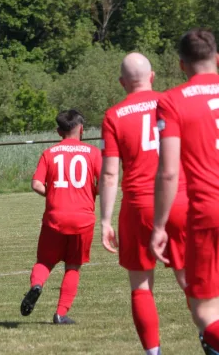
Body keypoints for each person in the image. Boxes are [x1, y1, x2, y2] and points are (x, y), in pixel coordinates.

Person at [100, 53, 188, 355]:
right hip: (178, 199)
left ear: (122, 82)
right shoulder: (174, 102)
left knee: (140, 286)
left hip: (138, 205)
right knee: (191, 280)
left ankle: (153, 353)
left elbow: (110, 174)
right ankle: (211, 337)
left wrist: (105, 221)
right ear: (152, 76)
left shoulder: (114, 115)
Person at [151, 28, 219, 354]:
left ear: (181, 65)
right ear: (217, 58)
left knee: (205, 310)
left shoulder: (172, 100)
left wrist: (160, 225)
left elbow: (168, 171)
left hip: (208, 210)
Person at [20, 110, 101, 324]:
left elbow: (36, 184)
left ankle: (37, 286)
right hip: (83, 219)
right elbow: (103, 185)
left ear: (58, 131)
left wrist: (55, 193)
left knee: (45, 262)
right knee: (73, 266)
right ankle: (60, 313)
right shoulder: (93, 152)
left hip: (55, 217)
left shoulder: (50, 153)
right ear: (81, 128)